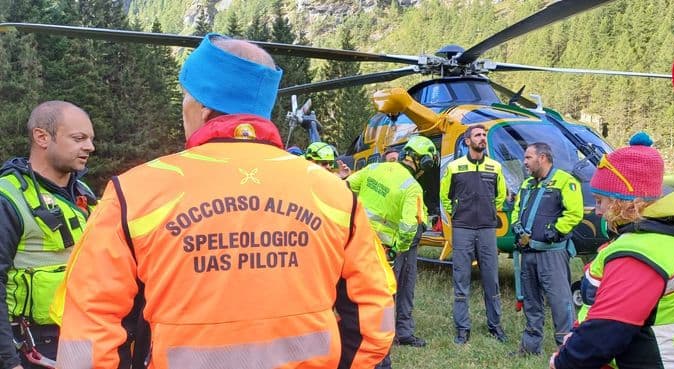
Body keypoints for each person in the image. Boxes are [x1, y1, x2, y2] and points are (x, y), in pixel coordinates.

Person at [55, 34, 395, 369]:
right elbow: (374, 311)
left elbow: (89, 320)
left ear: (202, 109)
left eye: (185, 98)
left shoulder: (134, 193)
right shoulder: (334, 192)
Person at [550, 132, 674, 369]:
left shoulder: (638, 253)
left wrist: (564, 361)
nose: (597, 211)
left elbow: (606, 332)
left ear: (624, 202)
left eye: (600, 201)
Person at [0, 101, 96, 369]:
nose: (90, 147)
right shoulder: (8, 197)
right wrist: (8, 362)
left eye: (90, 139)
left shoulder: (84, 193)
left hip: (81, 339)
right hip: (28, 348)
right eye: (79, 138)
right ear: (42, 137)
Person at [347, 135, 437, 368]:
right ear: (423, 162)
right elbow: (408, 227)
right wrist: (398, 248)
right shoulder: (411, 187)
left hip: (359, 244)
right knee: (385, 298)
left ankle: (358, 340)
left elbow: (346, 187)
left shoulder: (374, 168)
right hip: (386, 250)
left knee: (357, 295)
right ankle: (380, 350)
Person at [509, 142, 582, 356]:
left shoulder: (565, 181)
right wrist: (517, 226)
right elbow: (516, 210)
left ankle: (566, 350)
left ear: (542, 158)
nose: (524, 162)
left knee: (560, 301)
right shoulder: (527, 185)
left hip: (552, 254)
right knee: (531, 301)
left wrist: (557, 230)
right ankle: (530, 347)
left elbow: (575, 213)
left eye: (528, 158)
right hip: (528, 253)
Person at [439, 124, 508, 344]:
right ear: (467, 141)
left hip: (487, 228)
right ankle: (462, 328)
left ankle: (495, 325)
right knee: (461, 278)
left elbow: (500, 196)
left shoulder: (495, 167)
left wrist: (488, 212)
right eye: (478, 135)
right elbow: (445, 197)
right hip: (463, 229)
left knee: (491, 279)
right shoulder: (455, 167)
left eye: (484, 135)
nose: (482, 138)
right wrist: (458, 214)